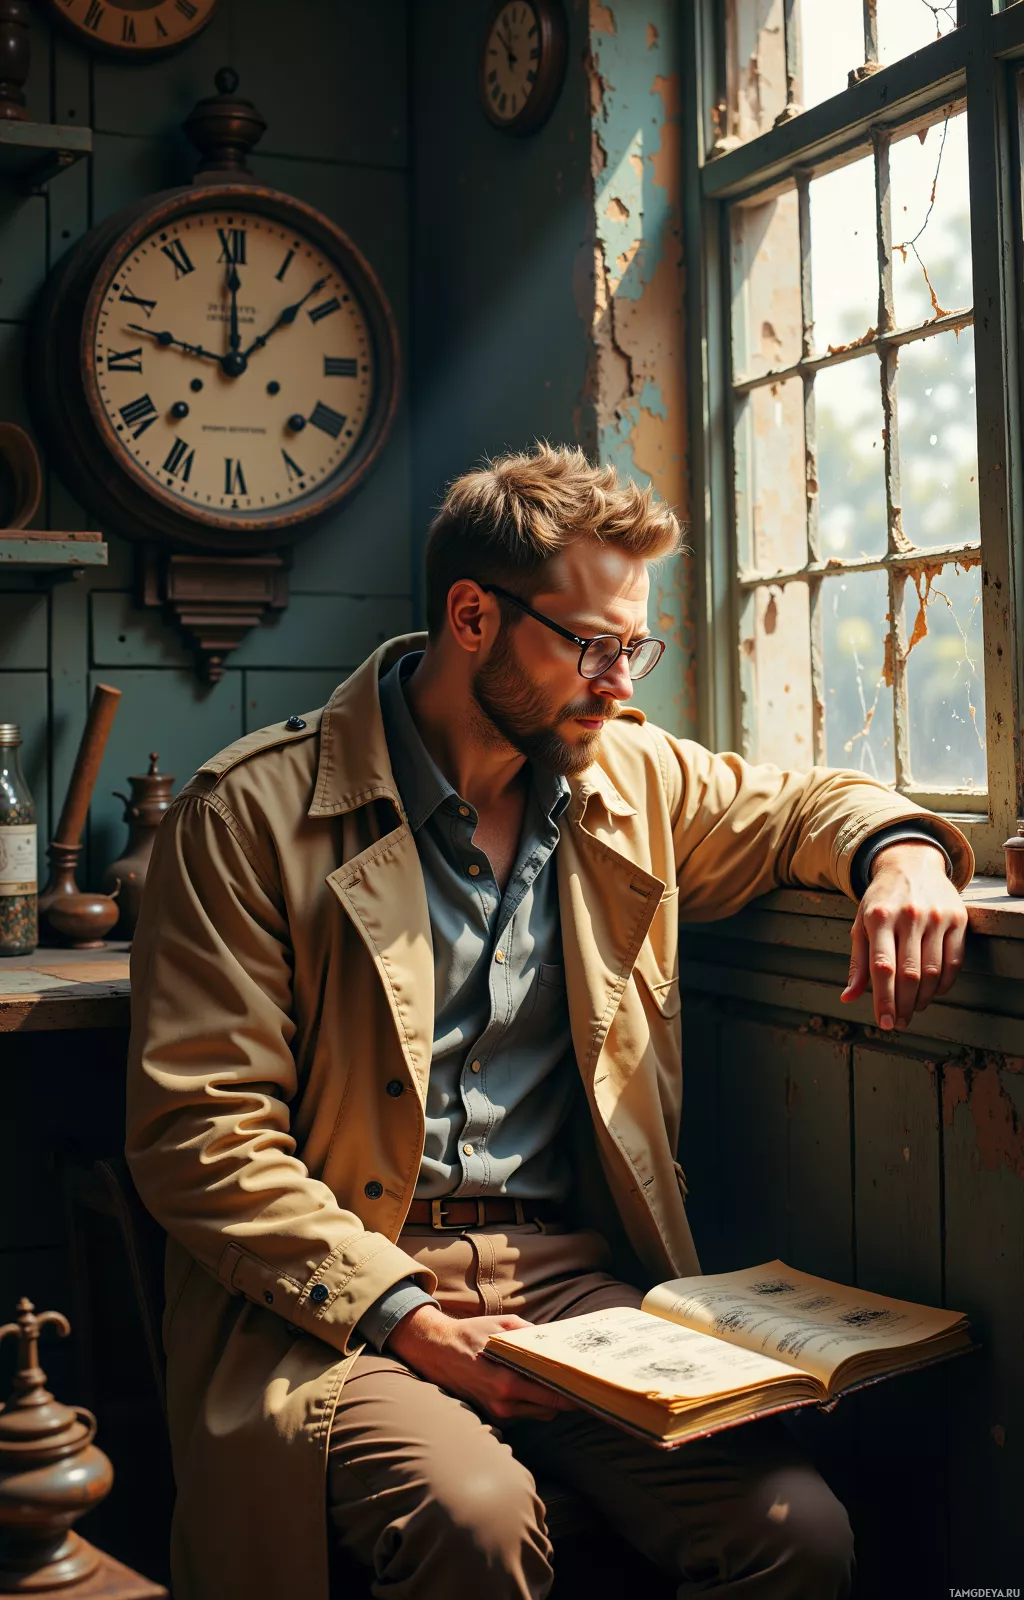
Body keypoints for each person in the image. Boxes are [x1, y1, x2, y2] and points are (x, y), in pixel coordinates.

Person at [126, 444, 973, 1600]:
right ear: (471, 615)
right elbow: (202, 1137)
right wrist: (412, 1318)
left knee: (796, 1528)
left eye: (635, 646)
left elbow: (798, 806)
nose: (622, 680)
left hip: (575, 1293)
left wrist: (905, 854)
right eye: (592, 645)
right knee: (474, 1521)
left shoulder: (624, 779)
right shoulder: (249, 816)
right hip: (344, 1300)